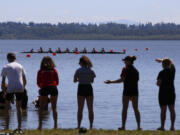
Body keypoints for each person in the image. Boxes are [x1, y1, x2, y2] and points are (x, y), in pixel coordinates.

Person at [105, 56, 141, 130]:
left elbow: (121, 80)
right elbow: (137, 80)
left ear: (129, 61)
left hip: (127, 91)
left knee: (125, 108)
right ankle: (138, 127)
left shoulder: (125, 69)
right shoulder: (136, 70)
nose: (124, 62)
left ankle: (123, 126)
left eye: (125, 61)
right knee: (136, 108)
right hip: (135, 91)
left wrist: (111, 82)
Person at [1, 53, 27, 131]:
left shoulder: (5, 67)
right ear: (15, 58)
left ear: (8, 58)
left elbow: (3, 81)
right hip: (20, 87)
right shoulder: (20, 66)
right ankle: (19, 127)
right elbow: (24, 79)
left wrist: (4, 92)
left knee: (7, 107)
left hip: (10, 87)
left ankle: (7, 126)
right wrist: (23, 88)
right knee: (19, 107)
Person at [74, 56, 96, 129]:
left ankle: (78, 126)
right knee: (90, 108)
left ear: (81, 63)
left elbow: (74, 80)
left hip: (81, 88)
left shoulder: (78, 70)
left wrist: (79, 79)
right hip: (88, 88)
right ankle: (91, 126)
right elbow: (92, 81)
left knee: (80, 108)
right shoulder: (91, 71)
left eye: (79, 62)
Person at [37, 56, 59, 130]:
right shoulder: (54, 70)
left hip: (44, 88)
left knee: (41, 107)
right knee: (54, 107)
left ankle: (40, 126)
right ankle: (55, 125)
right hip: (53, 87)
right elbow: (57, 81)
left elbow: (38, 82)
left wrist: (41, 87)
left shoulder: (40, 71)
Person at [156, 58, 176, 131]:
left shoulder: (161, 72)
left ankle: (162, 126)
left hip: (163, 92)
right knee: (172, 109)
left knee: (163, 110)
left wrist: (158, 83)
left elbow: (158, 84)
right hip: (171, 91)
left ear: (163, 65)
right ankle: (172, 127)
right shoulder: (172, 70)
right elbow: (172, 63)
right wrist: (162, 60)